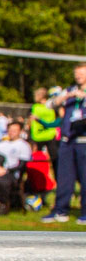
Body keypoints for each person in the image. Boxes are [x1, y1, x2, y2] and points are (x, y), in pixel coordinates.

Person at [42, 63, 86, 224]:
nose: (78, 76)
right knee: (64, 177)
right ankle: (60, 210)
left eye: (81, 73)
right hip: (67, 141)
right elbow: (49, 104)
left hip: (83, 141)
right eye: (76, 73)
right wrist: (66, 96)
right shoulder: (69, 90)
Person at [29, 87, 60, 179]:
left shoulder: (51, 105)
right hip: (37, 136)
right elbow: (30, 120)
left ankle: (58, 180)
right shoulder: (35, 107)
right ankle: (35, 180)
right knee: (34, 159)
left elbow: (57, 119)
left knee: (55, 159)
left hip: (50, 135)